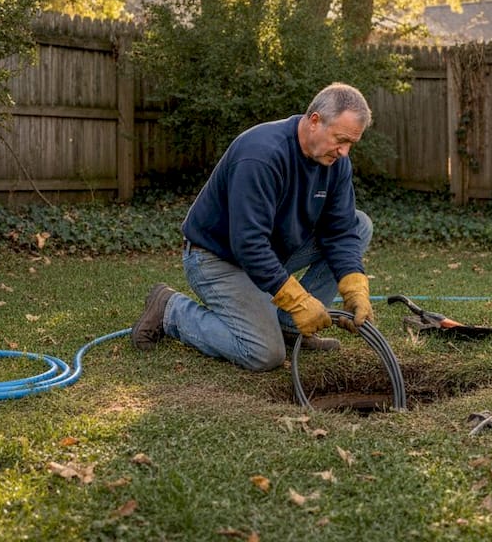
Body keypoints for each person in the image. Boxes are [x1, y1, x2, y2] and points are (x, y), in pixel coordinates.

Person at [131, 82, 375, 372]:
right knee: (264, 354)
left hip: (268, 253)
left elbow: (341, 230)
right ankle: (170, 310)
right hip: (218, 258)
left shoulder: (335, 163)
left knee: (359, 224)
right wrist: (297, 300)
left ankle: (290, 327)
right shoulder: (261, 154)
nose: (344, 152)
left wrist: (354, 288)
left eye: (351, 144)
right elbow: (248, 243)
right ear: (314, 121)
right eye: (340, 139)